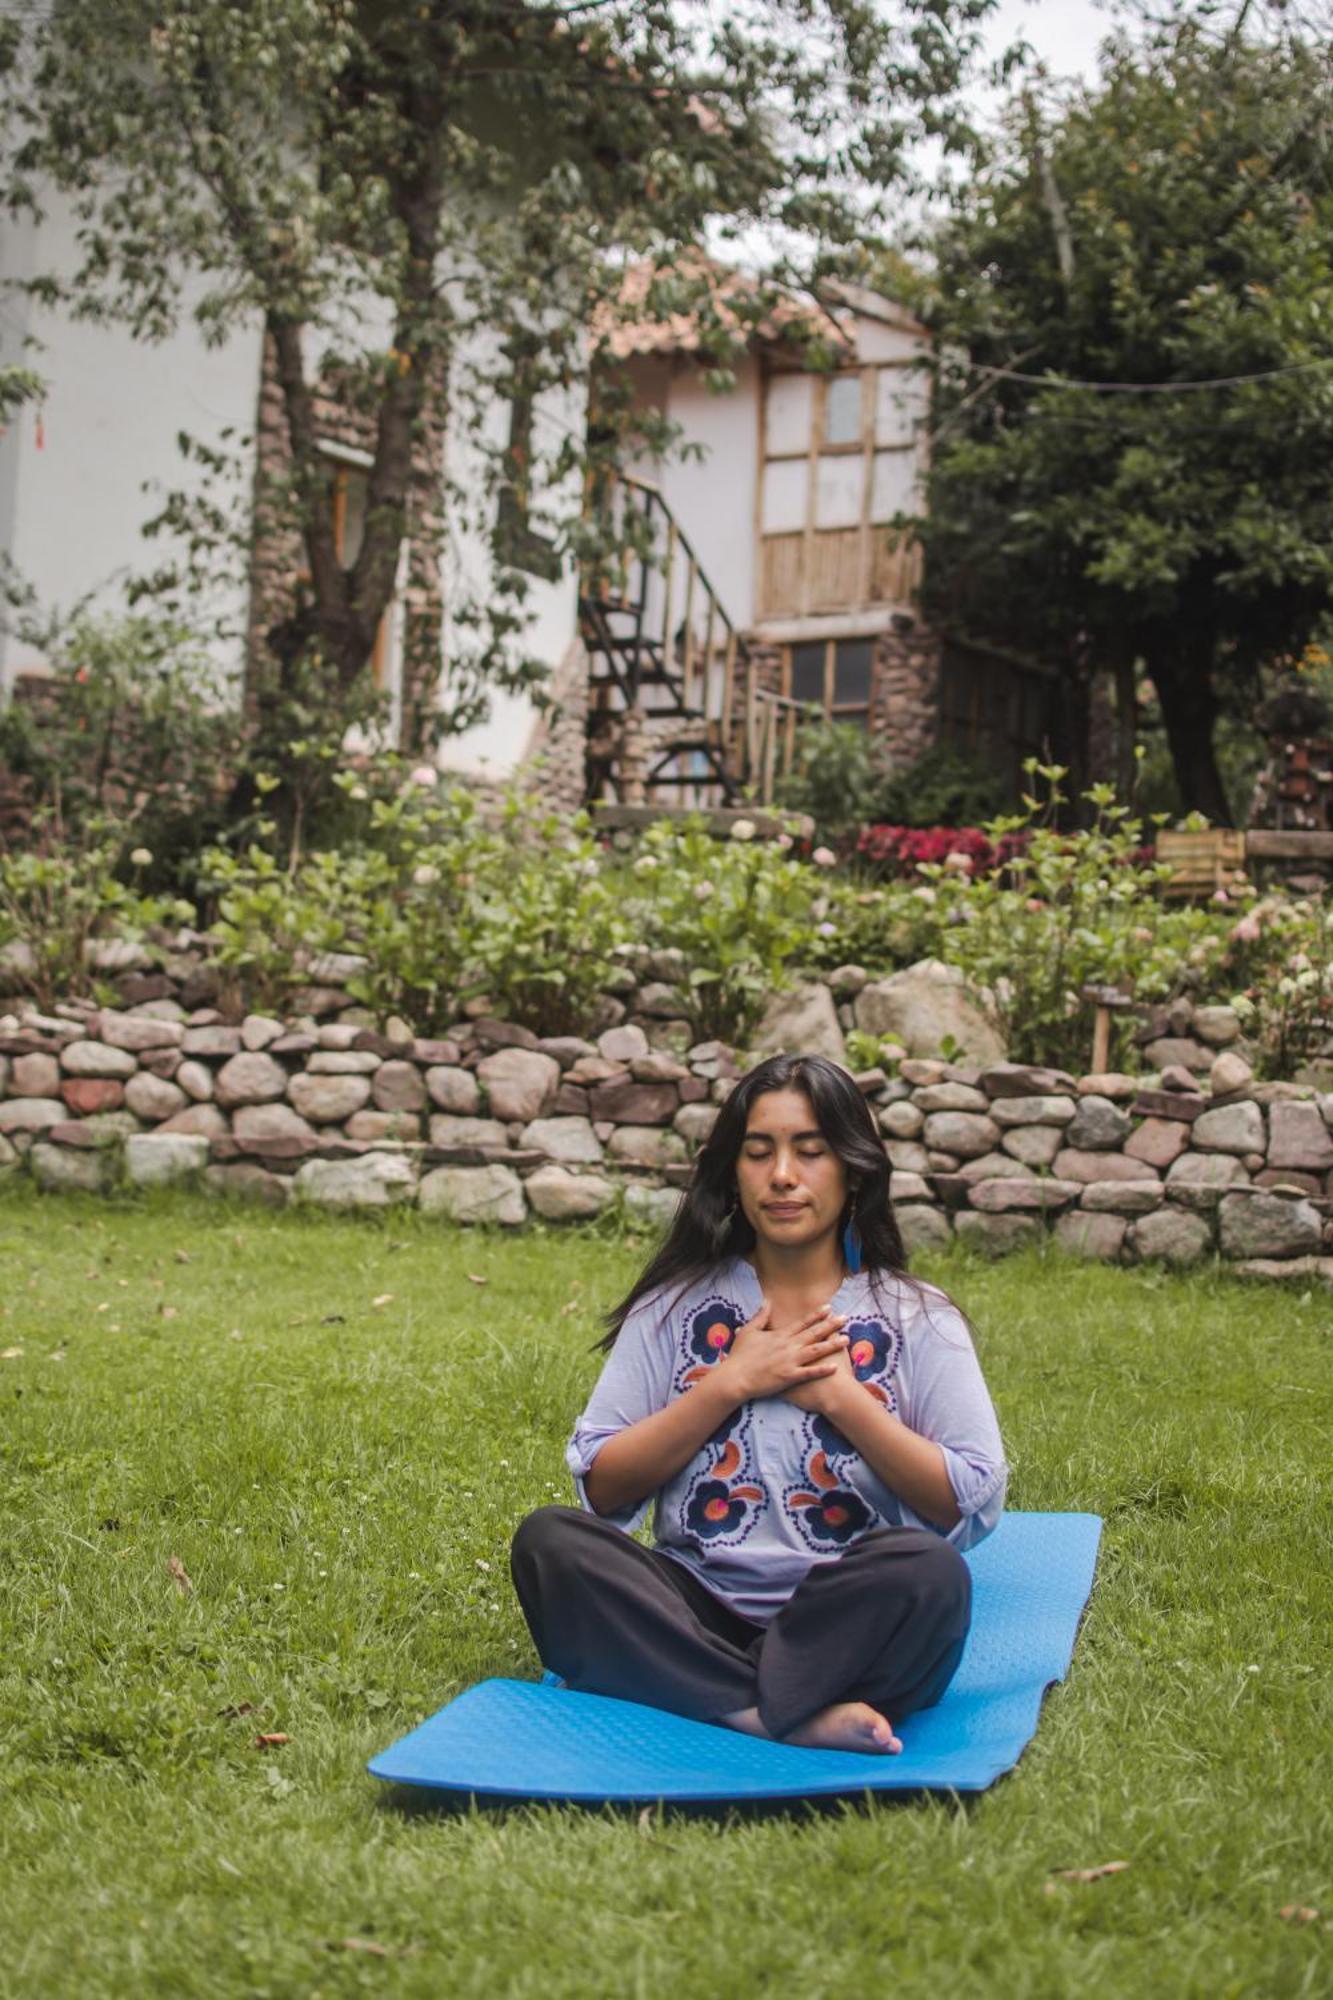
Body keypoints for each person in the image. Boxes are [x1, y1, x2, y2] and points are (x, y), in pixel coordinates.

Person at [510, 1052, 1007, 1755]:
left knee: (930, 1576)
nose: (782, 1176)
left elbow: (970, 1502)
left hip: (849, 1614)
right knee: (550, 1543)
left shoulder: (916, 1317)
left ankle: (702, 1694)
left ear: (854, 1170)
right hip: (694, 1603)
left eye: (810, 1152)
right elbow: (601, 1486)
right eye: (758, 1152)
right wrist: (726, 1385)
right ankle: (775, 1714)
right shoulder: (673, 1309)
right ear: (730, 1173)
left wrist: (843, 1399)